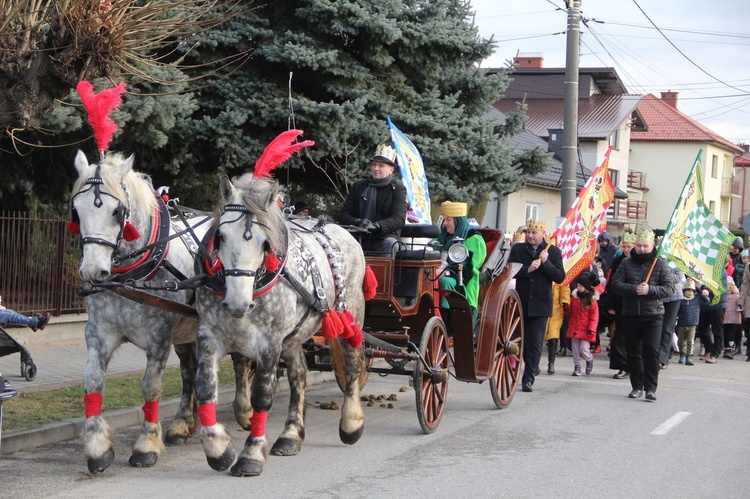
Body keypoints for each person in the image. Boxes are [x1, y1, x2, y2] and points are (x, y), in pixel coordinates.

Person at [611, 229, 674, 402]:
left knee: (651, 352)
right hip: (631, 314)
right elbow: (615, 284)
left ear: (652, 245)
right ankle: (636, 386)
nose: (641, 249)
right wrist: (633, 289)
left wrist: (650, 290)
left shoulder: (660, 264)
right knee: (633, 352)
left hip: (653, 315)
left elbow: (669, 288)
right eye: (638, 245)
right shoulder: (626, 263)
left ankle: (651, 388)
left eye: (645, 246)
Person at [508, 219, 565, 393]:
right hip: (520, 302)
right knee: (521, 340)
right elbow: (509, 269)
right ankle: (532, 365)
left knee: (535, 342)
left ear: (543, 234)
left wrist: (546, 263)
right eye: (528, 232)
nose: (530, 236)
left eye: (534, 233)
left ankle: (528, 379)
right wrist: (527, 269)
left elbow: (560, 277)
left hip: (541, 304)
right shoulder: (518, 249)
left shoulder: (553, 251)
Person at [338, 144, 407, 256]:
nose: (376, 169)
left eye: (381, 166)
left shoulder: (397, 189)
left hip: (383, 237)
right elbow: (344, 215)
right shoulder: (359, 187)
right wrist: (357, 222)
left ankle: (384, 274)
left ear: (391, 170)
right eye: (374, 165)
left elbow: (399, 219)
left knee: (390, 243)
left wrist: (377, 226)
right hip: (358, 236)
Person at [435, 201, 487, 326]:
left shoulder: (474, 239)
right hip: (436, 274)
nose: (445, 223)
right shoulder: (441, 238)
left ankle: (447, 324)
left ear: (458, 221)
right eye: (444, 220)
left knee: (445, 282)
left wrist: (446, 272)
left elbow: (469, 267)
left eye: (449, 220)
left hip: (463, 281)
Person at [604, 232, 636, 379]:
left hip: (638, 305)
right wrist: (610, 303)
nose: (626, 249)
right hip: (620, 303)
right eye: (624, 246)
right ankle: (623, 366)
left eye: (629, 247)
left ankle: (636, 365)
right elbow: (611, 283)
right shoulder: (618, 261)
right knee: (620, 335)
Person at [566, 272, 599, 376]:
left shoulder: (592, 301)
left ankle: (589, 359)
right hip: (575, 327)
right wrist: (566, 308)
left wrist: (592, 329)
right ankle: (577, 365)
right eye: (578, 286)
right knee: (575, 349)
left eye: (581, 286)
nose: (579, 288)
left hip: (586, 330)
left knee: (584, 349)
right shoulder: (575, 299)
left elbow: (594, 317)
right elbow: (571, 312)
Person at [697, 269, 728, 364]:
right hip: (704, 304)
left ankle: (715, 353)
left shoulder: (720, 268)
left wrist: (707, 289)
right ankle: (709, 349)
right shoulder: (702, 266)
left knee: (717, 329)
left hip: (718, 303)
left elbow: (717, 281)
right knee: (702, 328)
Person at [676, 279, 707, 365]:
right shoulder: (681, 300)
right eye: (687, 291)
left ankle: (689, 357)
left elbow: (707, 300)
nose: (689, 293)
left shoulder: (697, 300)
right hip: (682, 323)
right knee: (681, 342)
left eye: (691, 291)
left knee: (690, 341)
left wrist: (699, 290)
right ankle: (682, 355)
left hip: (693, 324)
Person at [658, 267, 684, 369]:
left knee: (668, 327)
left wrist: (661, 276)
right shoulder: (657, 256)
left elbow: (678, 277)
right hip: (658, 295)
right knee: (657, 326)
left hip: (674, 296)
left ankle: (662, 358)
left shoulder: (677, 260)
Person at [544, 282, 570, 374]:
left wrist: (565, 301)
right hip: (542, 304)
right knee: (537, 335)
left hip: (556, 308)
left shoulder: (560, 271)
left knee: (553, 334)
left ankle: (551, 363)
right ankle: (533, 364)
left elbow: (565, 286)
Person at [723, 280, 742, 359]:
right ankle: (726, 349)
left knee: (731, 334)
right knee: (725, 334)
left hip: (734, 319)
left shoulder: (737, 296)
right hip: (725, 319)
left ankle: (731, 349)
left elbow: (740, 306)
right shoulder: (723, 296)